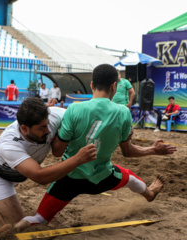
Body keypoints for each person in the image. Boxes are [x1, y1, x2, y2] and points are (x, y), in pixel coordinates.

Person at [10, 64, 177, 232]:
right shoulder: (124, 113)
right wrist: (152, 150)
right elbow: (128, 152)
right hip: (102, 178)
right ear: (114, 86)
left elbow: (57, 152)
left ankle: (11, 231)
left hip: (69, 178)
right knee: (130, 177)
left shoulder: (74, 108)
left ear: (91, 85)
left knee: (39, 218)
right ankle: (149, 194)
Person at [0, 97, 97, 226]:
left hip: (13, 170)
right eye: (42, 128)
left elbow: (79, 117)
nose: (48, 130)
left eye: (47, 124)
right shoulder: (9, 144)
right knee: (14, 222)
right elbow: (40, 177)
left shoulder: (53, 116)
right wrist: (77, 159)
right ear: (24, 128)